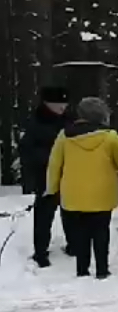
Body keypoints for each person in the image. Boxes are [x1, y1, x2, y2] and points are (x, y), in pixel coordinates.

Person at [44, 97, 118, 279]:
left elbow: (55, 164)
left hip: (74, 194)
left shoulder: (65, 135)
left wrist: (52, 188)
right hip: (102, 193)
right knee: (101, 230)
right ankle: (102, 269)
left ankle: (82, 269)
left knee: (80, 232)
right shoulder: (110, 136)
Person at [18, 86, 70, 268]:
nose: (63, 106)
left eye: (65, 102)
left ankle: (73, 245)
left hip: (69, 173)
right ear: (48, 103)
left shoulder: (69, 120)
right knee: (44, 215)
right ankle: (41, 252)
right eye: (59, 103)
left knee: (70, 211)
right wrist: (51, 159)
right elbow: (27, 150)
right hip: (45, 175)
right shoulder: (35, 122)